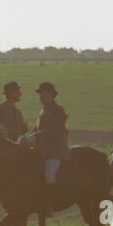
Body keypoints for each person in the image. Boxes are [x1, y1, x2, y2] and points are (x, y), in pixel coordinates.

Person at [24, 82, 70, 216]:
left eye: (44, 94)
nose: (41, 97)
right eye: (40, 95)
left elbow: (53, 131)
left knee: (49, 173)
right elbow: (36, 128)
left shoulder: (58, 110)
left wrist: (34, 136)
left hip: (55, 150)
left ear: (51, 95)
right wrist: (24, 137)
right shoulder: (43, 110)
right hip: (41, 150)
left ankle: (50, 203)